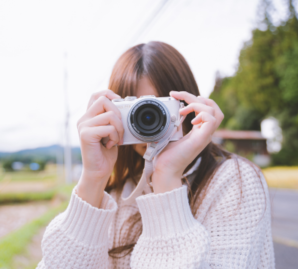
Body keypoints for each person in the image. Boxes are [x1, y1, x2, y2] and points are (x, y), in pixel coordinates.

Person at [37, 42, 275, 269]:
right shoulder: (114, 192)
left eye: (160, 107)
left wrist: (167, 176)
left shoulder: (236, 181)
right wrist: (93, 179)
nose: (150, 124)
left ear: (188, 106)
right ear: (115, 113)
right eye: (136, 111)